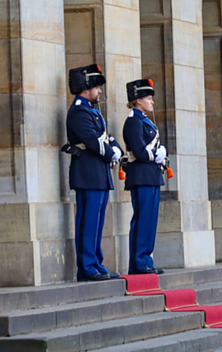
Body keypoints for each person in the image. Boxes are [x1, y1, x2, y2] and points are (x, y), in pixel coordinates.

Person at [64, 64, 123, 281]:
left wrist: (117, 148)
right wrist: (110, 154)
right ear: (86, 88)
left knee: (97, 222)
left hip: (97, 173)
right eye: (97, 87)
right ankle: (87, 267)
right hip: (88, 173)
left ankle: (96, 262)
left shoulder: (91, 111)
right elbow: (91, 141)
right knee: (88, 221)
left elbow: (105, 136)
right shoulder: (79, 110)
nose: (99, 91)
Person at [121, 79, 166, 275]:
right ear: (138, 100)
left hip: (151, 175)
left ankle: (146, 259)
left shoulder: (144, 121)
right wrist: (155, 155)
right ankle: (139, 262)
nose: (152, 102)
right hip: (141, 175)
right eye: (148, 98)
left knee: (150, 220)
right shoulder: (133, 121)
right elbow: (139, 151)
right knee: (142, 219)